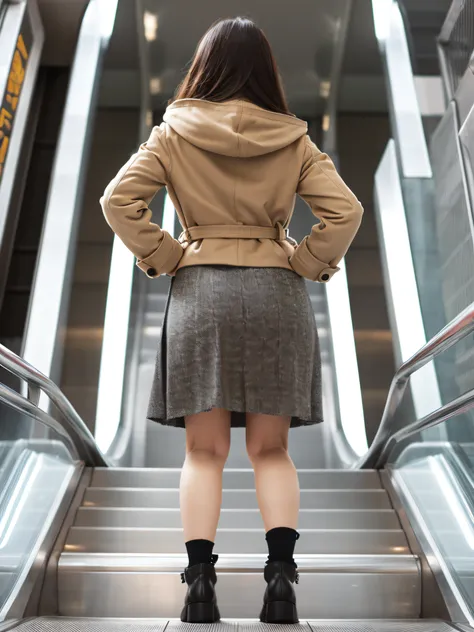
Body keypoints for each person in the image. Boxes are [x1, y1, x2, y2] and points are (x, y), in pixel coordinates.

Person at [100, 16, 363, 625]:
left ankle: (199, 587)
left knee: (204, 451)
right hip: (277, 291)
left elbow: (119, 200)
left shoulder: (174, 134)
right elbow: (344, 212)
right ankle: (280, 583)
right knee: (271, 450)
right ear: (266, 72)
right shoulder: (293, 140)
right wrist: (304, 259)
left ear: (205, 67)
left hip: (201, 293)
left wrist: (167, 255)